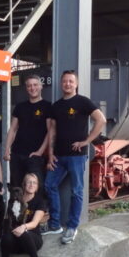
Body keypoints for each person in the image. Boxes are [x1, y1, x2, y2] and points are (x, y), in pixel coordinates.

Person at [45, 70, 106, 245]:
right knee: (49, 185)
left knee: (77, 191)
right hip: (58, 156)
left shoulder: (83, 102)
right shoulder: (56, 106)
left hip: (77, 156)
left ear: (76, 84)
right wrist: (50, 154)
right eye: (65, 81)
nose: (67, 84)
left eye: (71, 81)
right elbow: (52, 131)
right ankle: (55, 224)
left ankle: (72, 226)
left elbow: (100, 120)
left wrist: (86, 141)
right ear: (61, 83)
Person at [5, 73, 53, 187]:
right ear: (26, 88)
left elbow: (50, 131)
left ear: (41, 86)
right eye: (29, 86)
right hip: (17, 153)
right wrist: (7, 149)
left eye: (35, 85)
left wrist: (40, 152)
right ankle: (17, 206)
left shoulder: (47, 106)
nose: (32, 88)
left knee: (35, 188)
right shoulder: (20, 107)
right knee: (16, 188)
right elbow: (12, 129)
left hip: (35, 156)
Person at [0, 172, 46, 257]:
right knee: (6, 235)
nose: (32, 185)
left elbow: (34, 223)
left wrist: (23, 227)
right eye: (29, 182)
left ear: (37, 187)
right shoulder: (15, 199)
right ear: (23, 185)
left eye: (34, 183)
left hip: (32, 239)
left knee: (24, 233)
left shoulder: (40, 202)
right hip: (15, 241)